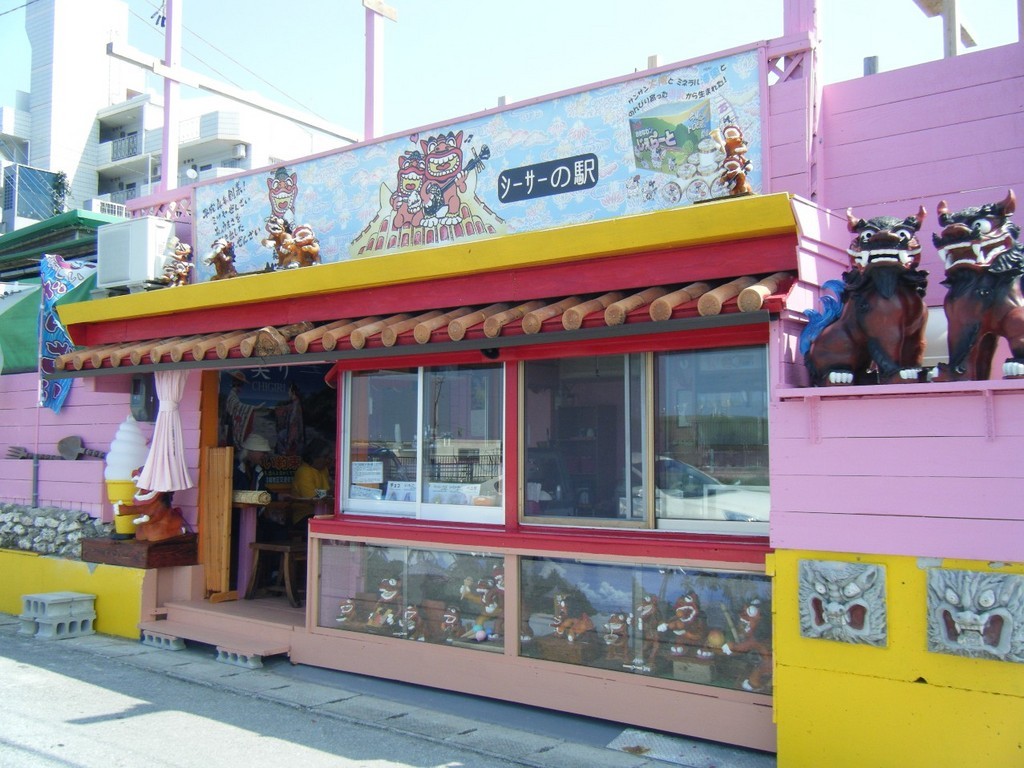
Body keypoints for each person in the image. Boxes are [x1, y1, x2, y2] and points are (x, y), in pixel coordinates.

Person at [234, 433, 288, 542]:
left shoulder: (257, 470)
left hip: (255, 516)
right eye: (263, 452)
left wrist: (277, 496)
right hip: (236, 517)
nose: (265, 456)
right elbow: (238, 494)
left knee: (280, 531)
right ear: (251, 451)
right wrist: (273, 497)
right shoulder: (235, 468)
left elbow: (261, 490)